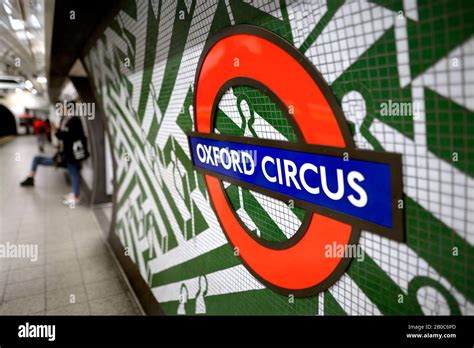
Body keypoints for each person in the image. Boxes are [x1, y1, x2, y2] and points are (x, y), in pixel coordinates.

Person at [20, 113, 87, 206]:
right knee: (73, 173)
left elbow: (69, 136)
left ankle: (76, 197)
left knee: (73, 173)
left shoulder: (74, 120)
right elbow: (65, 135)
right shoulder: (69, 119)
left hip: (72, 153)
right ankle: (75, 194)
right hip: (68, 153)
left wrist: (56, 130)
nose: (62, 109)